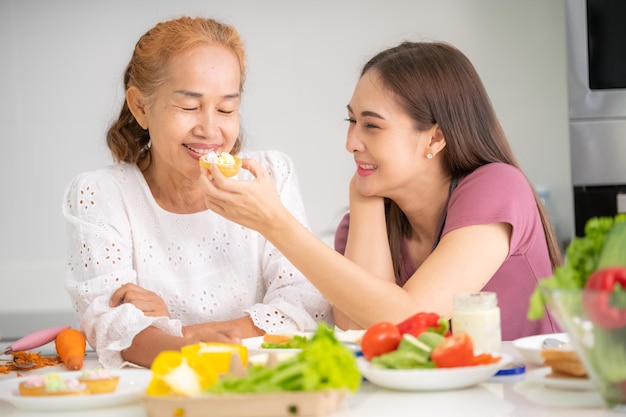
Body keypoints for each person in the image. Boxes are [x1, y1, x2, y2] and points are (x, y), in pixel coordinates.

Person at [200, 41, 562, 341]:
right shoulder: (360, 223)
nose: (351, 142)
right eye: (352, 121)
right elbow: (360, 333)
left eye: (372, 125)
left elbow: (410, 318)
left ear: (435, 137)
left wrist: (275, 223)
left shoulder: (497, 187)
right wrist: (364, 198)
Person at [63, 16, 331, 369]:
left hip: (262, 382)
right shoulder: (100, 195)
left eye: (226, 109)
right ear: (141, 107)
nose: (210, 129)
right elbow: (110, 324)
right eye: (189, 106)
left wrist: (182, 334)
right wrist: (190, 342)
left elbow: (306, 302)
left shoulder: (269, 176)